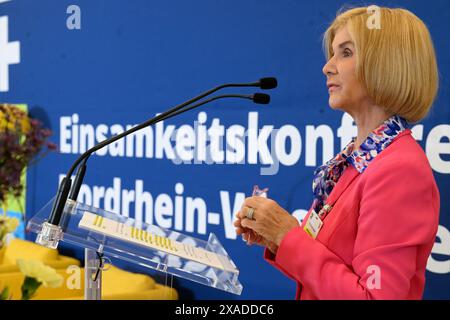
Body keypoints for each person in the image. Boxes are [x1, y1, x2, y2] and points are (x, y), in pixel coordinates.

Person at [234, 6, 440, 300]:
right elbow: (325, 266)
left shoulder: (399, 169)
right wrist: (275, 235)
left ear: (385, 64)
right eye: (332, 53)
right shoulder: (358, 159)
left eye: (345, 53)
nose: (327, 67)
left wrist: (286, 234)